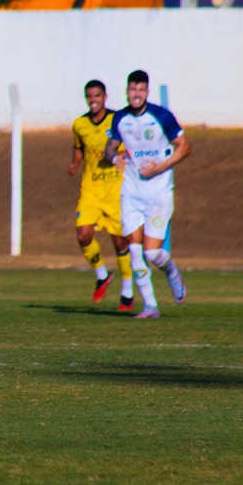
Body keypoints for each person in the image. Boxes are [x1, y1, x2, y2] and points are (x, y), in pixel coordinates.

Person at [104, 70, 192, 319]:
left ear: (147, 92)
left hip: (158, 194)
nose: (136, 94)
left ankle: (171, 271)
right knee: (134, 249)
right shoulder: (120, 118)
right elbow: (109, 149)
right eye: (133, 90)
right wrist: (115, 157)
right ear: (127, 91)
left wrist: (161, 167)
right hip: (131, 192)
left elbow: (186, 147)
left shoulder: (161, 116)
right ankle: (150, 306)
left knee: (152, 253)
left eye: (141, 90)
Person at [67, 80, 134, 309]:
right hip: (91, 191)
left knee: (119, 240)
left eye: (97, 95)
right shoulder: (79, 124)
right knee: (83, 235)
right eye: (89, 96)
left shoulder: (119, 120)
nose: (93, 99)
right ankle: (102, 275)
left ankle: (127, 289)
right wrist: (75, 165)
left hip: (115, 189)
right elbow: (78, 149)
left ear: (105, 97)